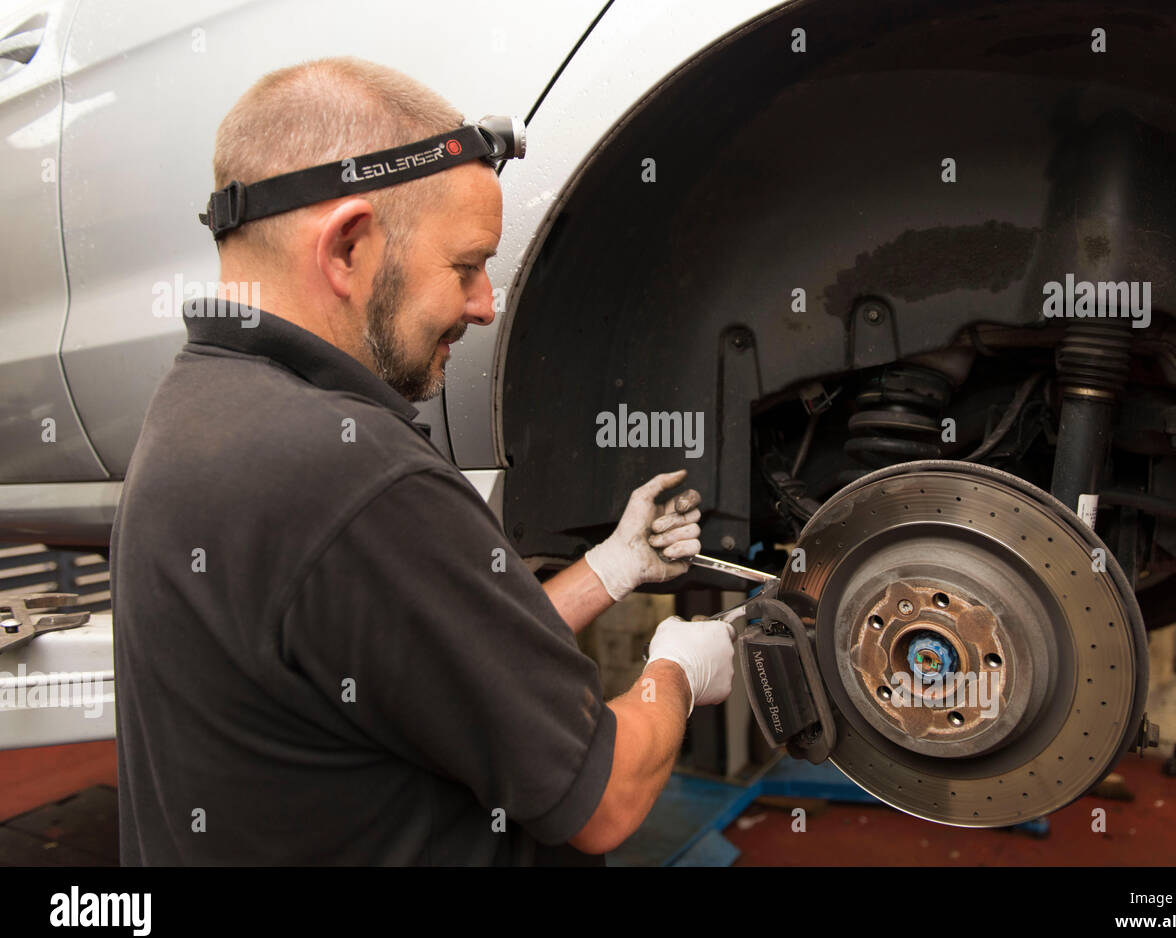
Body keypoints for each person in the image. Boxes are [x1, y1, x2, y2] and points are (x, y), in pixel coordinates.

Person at [109, 57, 736, 865]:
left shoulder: (200, 410)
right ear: (347, 247)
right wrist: (677, 669)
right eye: (466, 265)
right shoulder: (354, 476)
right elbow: (606, 798)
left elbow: (438, 659)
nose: (483, 303)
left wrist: (612, 568)